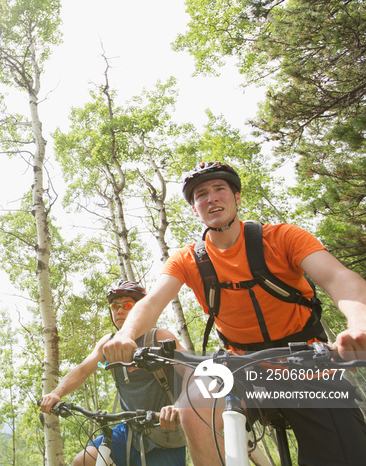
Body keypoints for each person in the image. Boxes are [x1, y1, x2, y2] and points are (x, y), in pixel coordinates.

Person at [102, 161, 366, 465]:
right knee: (194, 404)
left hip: (307, 362)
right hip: (241, 367)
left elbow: (339, 278)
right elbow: (152, 302)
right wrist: (126, 335)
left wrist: (358, 322)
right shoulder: (187, 259)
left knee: (347, 453)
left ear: (237, 197)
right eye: (201, 194)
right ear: (194, 208)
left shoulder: (282, 238)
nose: (211, 198)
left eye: (219, 189)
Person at [40, 280, 187, 466]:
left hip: (164, 432)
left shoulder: (160, 338)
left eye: (127, 306)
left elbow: (193, 373)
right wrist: (56, 393)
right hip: (129, 430)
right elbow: (82, 370)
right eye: (114, 306)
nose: (119, 311)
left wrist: (180, 405)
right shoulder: (108, 343)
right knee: (83, 461)